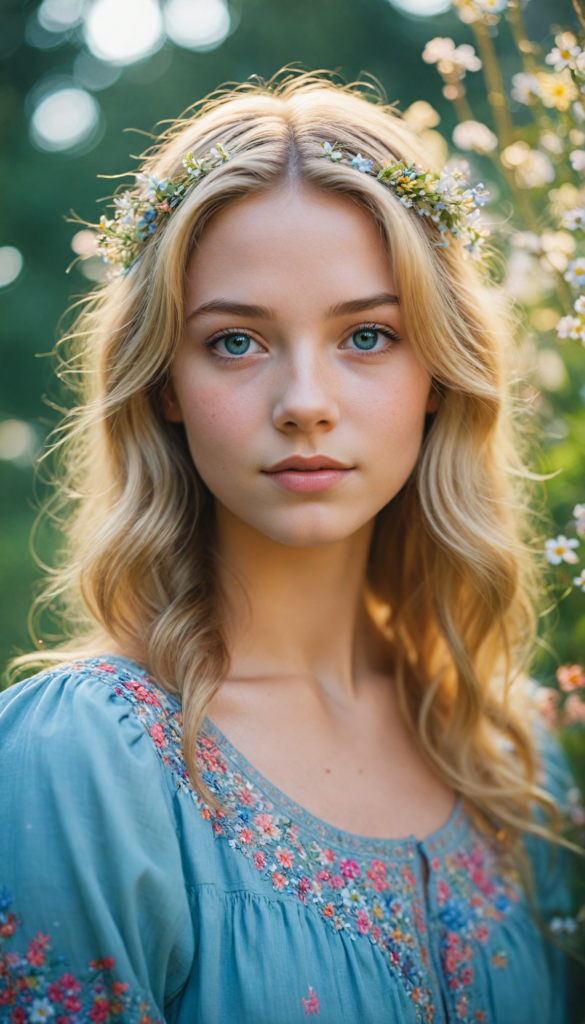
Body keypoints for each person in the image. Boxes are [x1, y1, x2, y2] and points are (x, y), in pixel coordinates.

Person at [0, 72, 574, 1024]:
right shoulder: (80, 764)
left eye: (366, 334)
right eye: (235, 342)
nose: (304, 400)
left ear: (438, 370)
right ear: (163, 385)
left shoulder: (512, 759)